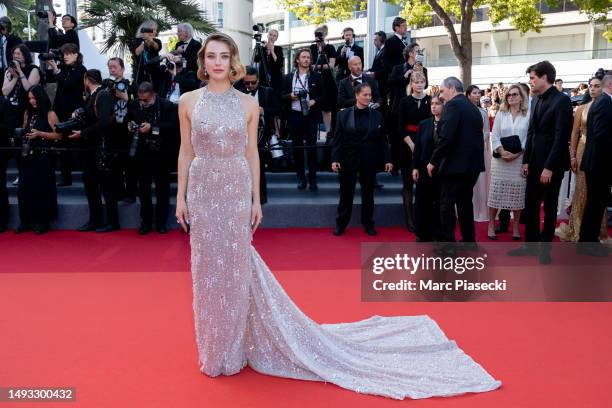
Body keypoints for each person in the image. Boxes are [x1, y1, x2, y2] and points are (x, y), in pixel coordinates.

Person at [176, 32, 501, 400]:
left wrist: (255, 200)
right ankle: (213, 349)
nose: (217, 62)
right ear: (203, 61)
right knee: (206, 270)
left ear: (233, 62)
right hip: (203, 190)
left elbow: (252, 154)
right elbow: (186, 152)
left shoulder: (249, 105)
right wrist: (182, 198)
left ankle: (232, 348)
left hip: (234, 190)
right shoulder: (188, 102)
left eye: (224, 56)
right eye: (211, 56)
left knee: (234, 267)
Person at [508, 61, 572, 264]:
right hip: (534, 162)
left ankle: (545, 250)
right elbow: (531, 132)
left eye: (533, 78)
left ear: (545, 77)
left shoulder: (562, 100)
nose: (530, 82)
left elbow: (561, 137)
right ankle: (530, 245)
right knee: (531, 205)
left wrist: (549, 167)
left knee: (550, 207)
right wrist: (526, 161)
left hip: (551, 165)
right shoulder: (535, 100)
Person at [427, 77, 484, 246]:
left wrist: (433, 161)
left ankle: (447, 245)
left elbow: (446, 137)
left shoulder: (453, 105)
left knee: (446, 205)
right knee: (465, 203)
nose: (442, 96)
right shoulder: (473, 108)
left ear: (452, 88)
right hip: (472, 167)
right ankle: (469, 241)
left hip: (455, 166)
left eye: (443, 91)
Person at [331, 82, 392, 236]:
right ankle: (341, 224)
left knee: (368, 195)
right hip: (348, 160)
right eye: (364, 94)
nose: (368, 97)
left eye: (370, 95)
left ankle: (368, 224)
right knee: (346, 194)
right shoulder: (343, 115)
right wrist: (335, 159)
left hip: (369, 160)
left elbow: (383, 140)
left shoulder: (378, 115)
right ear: (356, 95)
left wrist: (387, 160)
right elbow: (337, 139)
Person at [556, 76, 609, 243]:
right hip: (582, 149)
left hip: (597, 152)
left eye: (596, 86)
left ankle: (597, 231)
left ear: (602, 87)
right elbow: (574, 133)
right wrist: (572, 155)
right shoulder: (582, 108)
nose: (593, 89)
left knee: (596, 194)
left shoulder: (604, 104)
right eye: (590, 86)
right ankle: (578, 228)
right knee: (582, 191)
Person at [69, 69, 120, 233]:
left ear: (87, 80)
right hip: (90, 148)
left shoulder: (103, 95)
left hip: (102, 149)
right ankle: (95, 220)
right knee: (90, 186)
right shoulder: (92, 96)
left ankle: (113, 222)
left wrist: (83, 133)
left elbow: (104, 122)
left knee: (106, 187)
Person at [127, 82, 178, 234]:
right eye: (140, 100)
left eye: (146, 100)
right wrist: (129, 125)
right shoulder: (135, 105)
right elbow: (128, 120)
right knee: (143, 190)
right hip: (142, 154)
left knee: (163, 189)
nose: (143, 103)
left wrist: (153, 127)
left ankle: (161, 223)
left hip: (162, 154)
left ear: (154, 95)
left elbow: (174, 126)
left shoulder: (167, 106)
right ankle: (146, 222)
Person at [14, 85, 62, 234]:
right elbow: (24, 129)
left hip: (43, 156)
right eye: (29, 98)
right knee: (23, 189)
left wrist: (40, 133)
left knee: (40, 190)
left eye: (34, 98)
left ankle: (41, 221)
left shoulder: (50, 114)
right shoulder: (28, 113)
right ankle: (25, 221)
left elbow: (59, 136)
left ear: (41, 97)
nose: (32, 101)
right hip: (27, 155)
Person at [487, 84, 529, 240]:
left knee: (516, 195)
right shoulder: (501, 113)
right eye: (509, 95)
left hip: (518, 161)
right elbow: (495, 135)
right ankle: (491, 224)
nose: (511, 97)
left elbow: (528, 138)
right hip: (500, 161)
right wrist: (502, 151)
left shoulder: (528, 115)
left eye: (515, 94)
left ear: (521, 97)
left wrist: (517, 153)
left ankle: (516, 226)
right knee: (495, 194)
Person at [577, 74, 612, 256]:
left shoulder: (601, 102)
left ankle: (588, 241)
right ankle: (587, 243)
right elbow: (601, 135)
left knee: (596, 204)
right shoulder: (605, 103)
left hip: (597, 162)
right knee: (595, 204)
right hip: (599, 163)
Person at [45, 43, 87, 187]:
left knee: (74, 142)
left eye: (69, 53)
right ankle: (65, 177)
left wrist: (56, 70)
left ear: (76, 55)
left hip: (74, 111)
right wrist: (51, 67)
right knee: (62, 143)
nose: (65, 56)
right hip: (60, 109)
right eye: (64, 54)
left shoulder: (81, 70)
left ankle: (82, 173)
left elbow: (68, 83)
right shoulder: (62, 68)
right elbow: (50, 80)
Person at [282, 48, 323, 190]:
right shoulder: (288, 77)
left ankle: (312, 179)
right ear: (297, 60)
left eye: (308, 57)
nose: (306, 59)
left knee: (312, 148)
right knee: (297, 148)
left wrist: (314, 101)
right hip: (294, 115)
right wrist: (290, 96)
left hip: (310, 116)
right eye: (303, 57)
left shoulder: (316, 77)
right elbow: (280, 96)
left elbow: (325, 96)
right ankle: (301, 178)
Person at [238, 66, 280, 204]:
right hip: (242, 136)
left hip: (262, 136)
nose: (250, 86)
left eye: (253, 83)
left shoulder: (267, 92)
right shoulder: (238, 93)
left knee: (259, 166)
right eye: (247, 83)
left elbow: (277, 109)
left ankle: (261, 196)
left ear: (258, 80)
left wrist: (263, 110)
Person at [398, 71, 431, 232]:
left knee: (424, 184)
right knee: (407, 183)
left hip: (427, 145)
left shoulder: (431, 101)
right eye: (416, 82)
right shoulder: (404, 102)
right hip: (407, 144)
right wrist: (411, 144)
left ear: (425, 83)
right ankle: (409, 220)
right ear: (411, 84)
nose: (419, 85)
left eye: (421, 82)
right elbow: (400, 126)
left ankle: (422, 218)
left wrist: (422, 145)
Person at [412, 93, 443, 242]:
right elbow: (418, 148)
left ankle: (438, 232)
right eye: (432, 104)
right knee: (422, 201)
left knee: (439, 202)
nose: (434, 106)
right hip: (424, 168)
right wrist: (415, 167)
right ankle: (422, 233)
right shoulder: (424, 124)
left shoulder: (448, 123)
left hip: (442, 169)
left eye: (437, 103)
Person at [106, 57, 137, 203]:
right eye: (110, 67)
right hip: (113, 129)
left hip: (127, 129)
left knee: (130, 164)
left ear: (122, 68)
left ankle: (130, 194)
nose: (112, 70)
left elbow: (138, 107)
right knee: (115, 163)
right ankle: (118, 192)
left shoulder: (131, 85)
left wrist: (126, 99)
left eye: (115, 67)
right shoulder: (107, 87)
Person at [465, 85, 491, 223]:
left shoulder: (483, 112)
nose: (477, 95)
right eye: (474, 93)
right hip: (465, 151)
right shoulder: (463, 111)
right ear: (468, 94)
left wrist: (479, 140)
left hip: (480, 149)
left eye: (478, 93)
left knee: (481, 181)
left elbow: (486, 131)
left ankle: (481, 210)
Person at [2, 44, 41, 131]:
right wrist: (15, 77)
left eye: (18, 54)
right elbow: (5, 92)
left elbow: (29, 89)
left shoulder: (33, 69)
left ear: (25, 55)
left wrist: (19, 71)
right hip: (10, 109)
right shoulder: (9, 70)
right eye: (14, 53)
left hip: (25, 107)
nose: (15, 56)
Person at [309, 24, 337, 135]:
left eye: (319, 35)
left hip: (327, 80)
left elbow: (331, 65)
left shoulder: (330, 48)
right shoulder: (311, 48)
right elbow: (309, 63)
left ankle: (329, 132)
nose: (317, 38)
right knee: (315, 107)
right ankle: (313, 133)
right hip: (314, 80)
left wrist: (318, 66)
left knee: (327, 108)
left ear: (324, 36)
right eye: (316, 35)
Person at [129, 20, 162, 88]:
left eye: (156, 30)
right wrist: (145, 41)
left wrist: (150, 40)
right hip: (140, 73)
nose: (155, 32)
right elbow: (137, 52)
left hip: (154, 73)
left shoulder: (157, 41)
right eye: (153, 30)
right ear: (147, 29)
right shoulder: (137, 41)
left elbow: (157, 47)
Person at [253, 29, 283, 97]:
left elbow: (280, 64)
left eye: (275, 36)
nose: (272, 37)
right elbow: (256, 59)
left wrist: (272, 51)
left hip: (275, 79)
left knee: (275, 99)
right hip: (263, 78)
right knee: (263, 98)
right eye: (270, 34)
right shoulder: (263, 48)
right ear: (267, 35)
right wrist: (262, 49)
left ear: (276, 38)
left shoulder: (278, 49)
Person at [365, 31, 388, 112]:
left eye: (375, 40)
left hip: (382, 84)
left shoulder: (385, 51)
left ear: (381, 40)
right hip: (378, 83)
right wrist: (367, 71)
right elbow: (376, 67)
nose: (374, 42)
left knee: (382, 105)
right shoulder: (379, 51)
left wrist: (374, 73)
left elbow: (385, 69)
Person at [0, 16, 23, 89]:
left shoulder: (15, 39)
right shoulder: (1, 40)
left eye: (4, 26)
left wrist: (6, 34)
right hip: (2, 72)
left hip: (13, 72)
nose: (2, 28)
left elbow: (20, 55)